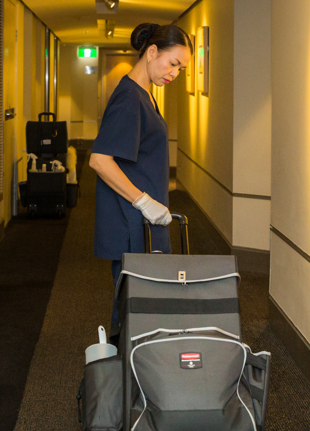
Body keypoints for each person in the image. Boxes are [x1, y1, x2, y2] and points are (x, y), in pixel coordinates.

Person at [89, 23, 193, 332]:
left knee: (139, 308)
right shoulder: (130, 98)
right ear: (151, 52)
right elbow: (99, 160)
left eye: (181, 69)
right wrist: (143, 201)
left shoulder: (143, 94)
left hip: (144, 221)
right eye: (172, 63)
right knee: (135, 310)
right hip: (133, 221)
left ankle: (133, 374)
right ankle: (125, 376)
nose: (174, 73)